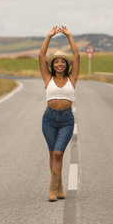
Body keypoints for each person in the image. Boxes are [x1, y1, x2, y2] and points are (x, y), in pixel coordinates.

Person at [39, 25, 80, 202]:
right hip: (49, 119)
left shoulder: (72, 78)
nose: (60, 64)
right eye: (56, 61)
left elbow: (77, 56)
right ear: (53, 65)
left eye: (63, 61)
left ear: (66, 65)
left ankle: (52, 189)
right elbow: (41, 56)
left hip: (66, 120)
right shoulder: (48, 78)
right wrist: (48, 37)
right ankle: (59, 187)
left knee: (58, 153)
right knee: (52, 153)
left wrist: (69, 35)